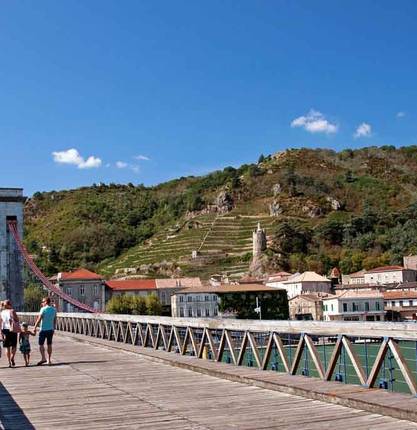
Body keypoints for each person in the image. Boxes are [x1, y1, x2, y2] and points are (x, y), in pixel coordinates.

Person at [33, 297, 57, 365]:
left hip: (43, 330)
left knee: (41, 344)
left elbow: (39, 319)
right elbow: (55, 320)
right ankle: (49, 360)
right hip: (50, 330)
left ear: (46, 302)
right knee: (49, 344)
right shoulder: (54, 309)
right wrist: (54, 328)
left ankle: (43, 358)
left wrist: (34, 327)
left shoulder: (43, 309)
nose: (42, 303)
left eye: (43, 302)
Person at [0, 300, 20, 368]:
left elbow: (0, 322)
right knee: (14, 345)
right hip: (12, 329)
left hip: (4, 330)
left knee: (7, 347)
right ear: (9, 305)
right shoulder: (12, 311)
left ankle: (9, 362)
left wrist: (1, 331)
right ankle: (12, 357)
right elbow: (17, 319)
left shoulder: (1, 312)